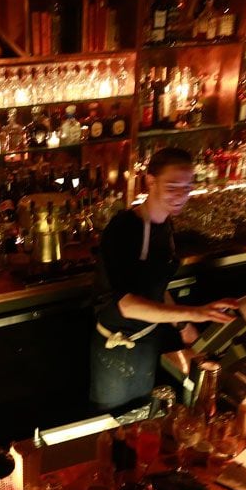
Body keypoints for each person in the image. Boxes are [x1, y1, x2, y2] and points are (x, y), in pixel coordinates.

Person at [90, 148, 237, 411]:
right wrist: (195, 313)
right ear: (150, 181)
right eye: (172, 187)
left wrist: (183, 325)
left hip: (148, 339)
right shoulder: (123, 228)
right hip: (117, 345)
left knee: (145, 414)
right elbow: (127, 304)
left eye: (187, 188)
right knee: (116, 422)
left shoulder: (165, 226)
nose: (181, 196)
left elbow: (155, 287)